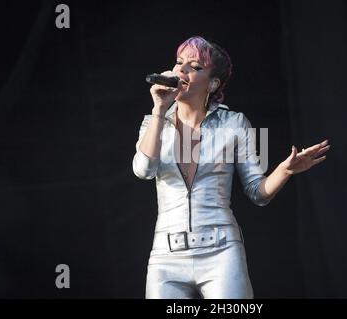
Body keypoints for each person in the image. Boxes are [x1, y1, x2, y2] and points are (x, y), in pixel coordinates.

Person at [133, 36, 330, 299]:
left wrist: (285, 170)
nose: (183, 70)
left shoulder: (236, 123)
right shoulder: (152, 123)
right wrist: (159, 109)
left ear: (213, 84)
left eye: (196, 67)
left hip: (221, 250)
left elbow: (258, 193)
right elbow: (143, 170)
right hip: (166, 255)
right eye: (180, 63)